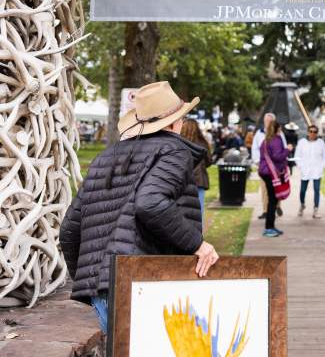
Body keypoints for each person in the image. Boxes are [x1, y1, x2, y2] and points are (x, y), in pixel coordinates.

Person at [60, 81, 219, 333]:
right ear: (174, 123)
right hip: (146, 283)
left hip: (104, 289)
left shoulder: (107, 157)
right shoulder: (174, 150)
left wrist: (91, 277)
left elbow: (69, 230)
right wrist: (198, 245)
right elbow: (150, 203)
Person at [252, 113, 288, 219]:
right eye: (266, 121)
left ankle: (277, 206)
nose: (267, 123)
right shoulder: (259, 134)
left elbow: (284, 147)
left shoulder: (279, 134)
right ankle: (265, 210)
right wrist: (257, 161)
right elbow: (255, 148)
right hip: (265, 167)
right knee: (264, 189)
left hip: (276, 168)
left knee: (277, 187)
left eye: (269, 121)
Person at [258, 119, 289, 237]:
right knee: (273, 200)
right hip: (270, 173)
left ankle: (271, 226)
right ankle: (269, 228)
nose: (281, 130)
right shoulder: (276, 140)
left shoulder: (265, 140)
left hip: (265, 172)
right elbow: (277, 157)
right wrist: (288, 150)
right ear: (277, 129)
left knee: (273, 199)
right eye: (280, 128)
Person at [181, 118, 213, 219]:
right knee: (199, 211)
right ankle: (198, 234)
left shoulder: (179, 142)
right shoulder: (203, 143)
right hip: (199, 181)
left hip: (182, 180)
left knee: (182, 211)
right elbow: (209, 161)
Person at [296, 124, 325, 218]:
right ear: (308, 132)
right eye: (311, 131)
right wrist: (300, 166)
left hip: (317, 171)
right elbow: (297, 156)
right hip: (305, 170)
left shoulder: (321, 143)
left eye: (315, 132)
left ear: (317, 133)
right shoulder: (302, 142)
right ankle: (302, 205)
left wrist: (321, 166)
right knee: (302, 190)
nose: (312, 133)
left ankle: (316, 210)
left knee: (316, 190)